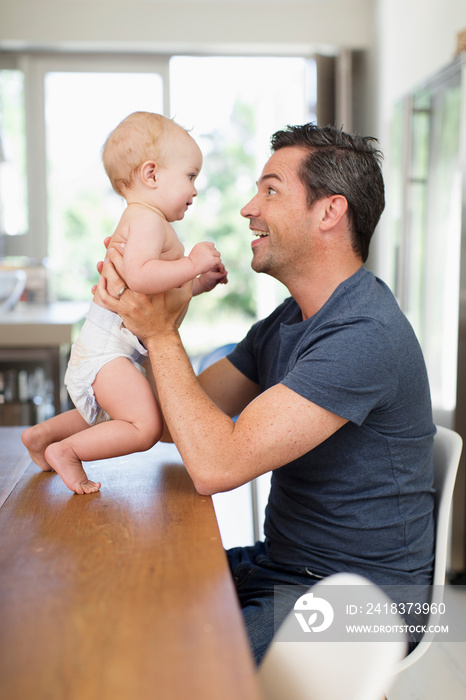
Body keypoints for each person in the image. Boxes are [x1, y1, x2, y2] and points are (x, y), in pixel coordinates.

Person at [96, 123, 435, 664]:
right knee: (122, 604)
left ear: (330, 212)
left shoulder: (364, 335)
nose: (248, 208)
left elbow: (214, 465)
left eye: (271, 190)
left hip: (365, 600)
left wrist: (160, 334)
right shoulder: (289, 321)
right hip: (286, 567)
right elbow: (166, 423)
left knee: (161, 663)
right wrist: (152, 318)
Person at [22, 111, 227, 495]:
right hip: (106, 349)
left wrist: (197, 283)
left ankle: (42, 436)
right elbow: (139, 278)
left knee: (117, 416)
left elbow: (154, 296)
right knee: (144, 426)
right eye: (190, 176)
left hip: (110, 346)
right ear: (151, 175)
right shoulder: (146, 220)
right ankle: (66, 451)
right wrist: (192, 262)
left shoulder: (149, 221)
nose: (195, 190)